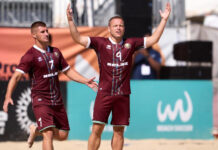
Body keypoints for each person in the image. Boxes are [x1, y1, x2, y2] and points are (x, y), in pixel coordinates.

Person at [66, 2, 171, 150]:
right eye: (115, 25)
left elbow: (153, 39)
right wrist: (70, 20)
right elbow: (77, 39)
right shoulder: (100, 42)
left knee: (119, 131)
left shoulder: (131, 43)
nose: (118, 28)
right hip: (104, 93)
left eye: (121, 25)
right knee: (97, 129)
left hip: (122, 94)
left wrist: (164, 20)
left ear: (124, 28)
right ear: (109, 28)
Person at [2, 21, 98, 150]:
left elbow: (68, 71)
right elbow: (16, 77)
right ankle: (41, 130)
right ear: (34, 35)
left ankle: (36, 130)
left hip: (57, 100)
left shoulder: (56, 52)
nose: (46, 34)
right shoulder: (30, 56)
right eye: (42, 32)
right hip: (41, 99)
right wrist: (8, 96)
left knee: (63, 135)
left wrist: (85, 81)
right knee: (48, 134)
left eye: (47, 31)